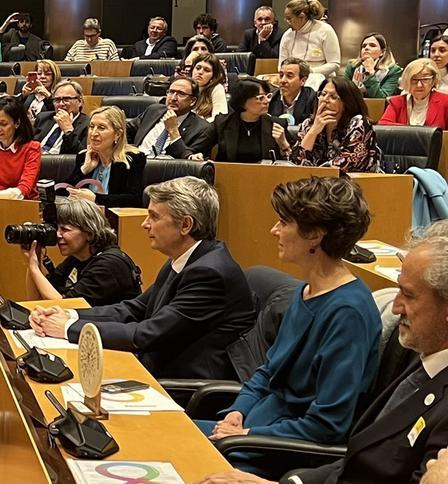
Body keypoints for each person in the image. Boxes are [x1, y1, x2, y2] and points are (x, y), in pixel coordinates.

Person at [198, 234, 448, 484]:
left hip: (270, 447)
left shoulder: (348, 313)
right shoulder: (423, 363)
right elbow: (356, 458)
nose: (395, 307)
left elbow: (331, 429)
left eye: (409, 295)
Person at [194, 176, 379, 477]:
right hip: (250, 431)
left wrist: (247, 433)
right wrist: (236, 414)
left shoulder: (348, 312)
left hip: (278, 449)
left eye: (283, 222)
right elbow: (267, 372)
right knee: (153, 431)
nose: (274, 230)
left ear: (315, 235)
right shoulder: (307, 291)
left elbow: (328, 425)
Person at [29, 176, 255, 380]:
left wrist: (69, 328)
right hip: (156, 365)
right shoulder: (187, 258)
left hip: (182, 384)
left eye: (154, 216)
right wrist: (70, 314)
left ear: (186, 225)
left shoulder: (209, 273)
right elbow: (134, 308)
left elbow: (148, 334)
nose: (144, 224)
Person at [24, 196, 143, 307]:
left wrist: (34, 267)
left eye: (65, 229)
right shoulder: (78, 257)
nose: (57, 235)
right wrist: (34, 258)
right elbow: (37, 298)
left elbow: (64, 307)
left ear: (89, 233)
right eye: (57, 228)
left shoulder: (108, 265)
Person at [290, 76, 383, 172]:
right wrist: (313, 131)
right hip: (314, 183)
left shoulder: (359, 123)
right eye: (323, 94)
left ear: (347, 102)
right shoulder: (308, 124)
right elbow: (295, 164)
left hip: (353, 184)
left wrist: (313, 173)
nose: (325, 99)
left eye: (333, 97)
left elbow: (345, 166)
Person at [65, 106, 148, 208]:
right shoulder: (84, 156)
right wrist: (84, 170)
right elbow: (64, 193)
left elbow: (133, 199)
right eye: (91, 126)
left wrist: (95, 199)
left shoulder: (133, 158)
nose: (94, 133)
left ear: (117, 134)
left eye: (101, 128)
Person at [131, 77, 216, 159]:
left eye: (181, 94)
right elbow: (126, 130)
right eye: (171, 92)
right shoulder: (153, 111)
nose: (173, 98)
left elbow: (190, 161)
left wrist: (173, 131)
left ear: (192, 101)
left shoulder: (204, 130)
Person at [213, 79, 295, 163]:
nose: (267, 101)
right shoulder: (222, 123)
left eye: (268, 96)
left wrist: (284, 144)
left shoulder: (277, 124)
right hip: (228, 174)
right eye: (260, 98)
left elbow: (296, 162)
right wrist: (199, 155)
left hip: (265, 174)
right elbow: (202, 149)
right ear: (243, 101)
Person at [279, 0, 341, 80]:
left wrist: (311, 72)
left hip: (322, 80)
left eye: (289, 19)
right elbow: (281, 65)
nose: (287, 22)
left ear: (302, 17)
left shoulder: (325, 30)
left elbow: (335, 64)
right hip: (294, 80)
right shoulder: (287, 35)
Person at [382, 58, 448, 129]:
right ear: (407, 81)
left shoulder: (445, 101)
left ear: (433, 81)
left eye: (425, 79)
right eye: (414, 80)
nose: (419, 85)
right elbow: (383, 126)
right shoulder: (396, 102)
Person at [33, 80, 91, 155]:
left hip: (60, 165)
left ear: (80, 101)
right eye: (57, 100)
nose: (61, 104)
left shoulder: (87, 125)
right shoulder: (43, 118)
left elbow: (83, 157)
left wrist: (68, 131)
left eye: (66, 99)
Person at [342, 32, 402, 99]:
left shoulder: (393, 70)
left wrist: (370, 72)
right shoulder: (352, 66)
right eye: (363, 46)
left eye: (372, 45)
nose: (366, 48)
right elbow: (343, 92)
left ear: (382, 52)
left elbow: (381, 97)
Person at [269, 58, 319, 127]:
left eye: (289, 76)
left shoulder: (313, 99)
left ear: (303, 81)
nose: (282, 80)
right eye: (281, 75)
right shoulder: (270, 98)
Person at [193, 53, 230, 121]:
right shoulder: (185, 86)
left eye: (206, 70)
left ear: (213, 76)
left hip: (206, 130)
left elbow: (219, 120)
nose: (200, 72)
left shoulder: (217, 88)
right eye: (198, 68)